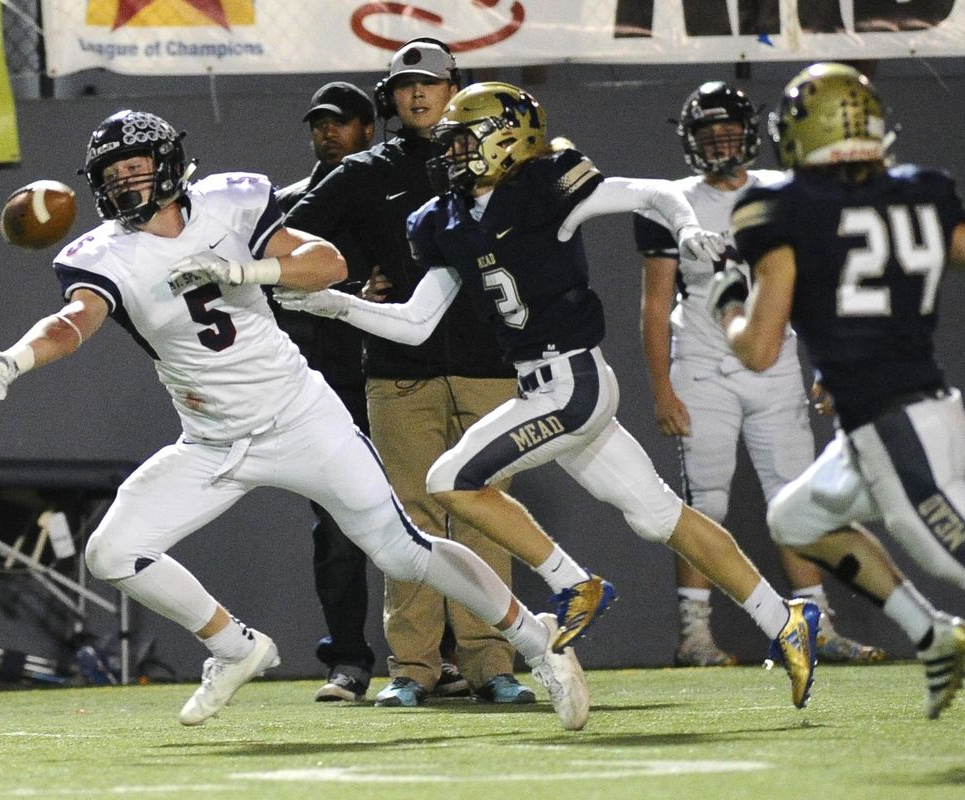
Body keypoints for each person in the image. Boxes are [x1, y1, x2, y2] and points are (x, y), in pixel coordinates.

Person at [0, 108, 590, 729]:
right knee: (113, 553)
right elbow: (74, 321)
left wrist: (248, 269)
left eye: (135, 167)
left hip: (300, 417)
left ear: (169, 163)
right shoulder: (102, 255)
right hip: (211, 440)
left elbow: (329, 264)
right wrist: (16, 357)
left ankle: (539, 645)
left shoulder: (231, 202)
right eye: (112, 175)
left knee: (405, 553)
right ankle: (233, 647)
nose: (125, 183)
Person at [277, 81, 821, 709]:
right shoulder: (446, 220)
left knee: (451, 480)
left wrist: (691, 225)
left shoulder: (545, 186)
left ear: (506, 139)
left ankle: (573, 584)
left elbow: (651, 192)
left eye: (464, 138)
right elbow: (415, 322)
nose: (451, 152)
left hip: (573, 384)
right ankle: (784, 619)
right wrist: (335, 304)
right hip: (546, 387)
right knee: (658, 515)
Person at [711, 62, 965, 719]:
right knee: (796, 519)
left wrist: (727, 302)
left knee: (956, 558)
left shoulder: (781, 207)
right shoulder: (924, 188)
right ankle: (934, 635)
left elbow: (759, 347)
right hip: (896, 410)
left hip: (893, 422)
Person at [286, 40, 530, 707]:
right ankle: (413, 669)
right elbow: (284, 238)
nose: (419, 95)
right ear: (388, 99)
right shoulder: (368, 171)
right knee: (411, 523)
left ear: (457, 88)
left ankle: (489, 664)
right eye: (406, 86)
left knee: (486, 515)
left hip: (489, 367)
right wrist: (350, 279)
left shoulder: (504, 159)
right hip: (399, 372)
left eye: (431, 83)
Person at [634, 81, 883, 667]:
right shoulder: (670, 202)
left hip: (774, 361)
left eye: (729, 132)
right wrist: (662, 387)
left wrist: (828, 361)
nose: (720, 143)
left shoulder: (784, 193)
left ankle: (814, 626)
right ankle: (695, 635)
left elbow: (818, 290)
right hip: (701, 363)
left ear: (752, 135)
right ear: (689, 140)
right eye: (708, 133)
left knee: (798, 497)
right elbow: (654, 302)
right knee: (705, 503)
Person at [273, 80, 378, 702]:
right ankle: (348, 662)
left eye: (341, 122)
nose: (327, 132)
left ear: (369, 127)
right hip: (320, 392)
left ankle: (441, 658)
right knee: (339, 529)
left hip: (395, 378)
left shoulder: (388, 197)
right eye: (319, 123)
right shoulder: (284, 209)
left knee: (422, 517)